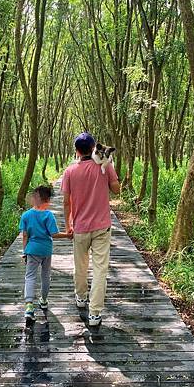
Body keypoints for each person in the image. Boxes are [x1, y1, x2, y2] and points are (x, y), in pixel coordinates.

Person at [61, 132, 120, 327]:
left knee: (80, 265)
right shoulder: (105, 166)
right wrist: (110, 167)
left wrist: (68, 225)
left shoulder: (69, 171)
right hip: (102, 227)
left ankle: (80, 298)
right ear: (94, 147)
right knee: (100, 269)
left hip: (79, 228)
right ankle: (95, 313)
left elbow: (66, 202)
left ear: (77, 151)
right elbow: (116, 189)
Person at [19, 184, 71, 321]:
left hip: (31, 250)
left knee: (30, 276)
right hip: (46, 250)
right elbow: (54, 234)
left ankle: (29, 305)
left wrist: (25, 252)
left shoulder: (26, 215)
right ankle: (43, 300)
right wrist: (67, 235)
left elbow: (25, 236)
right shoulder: (48, 216)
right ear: (47, 200)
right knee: (45, 275)